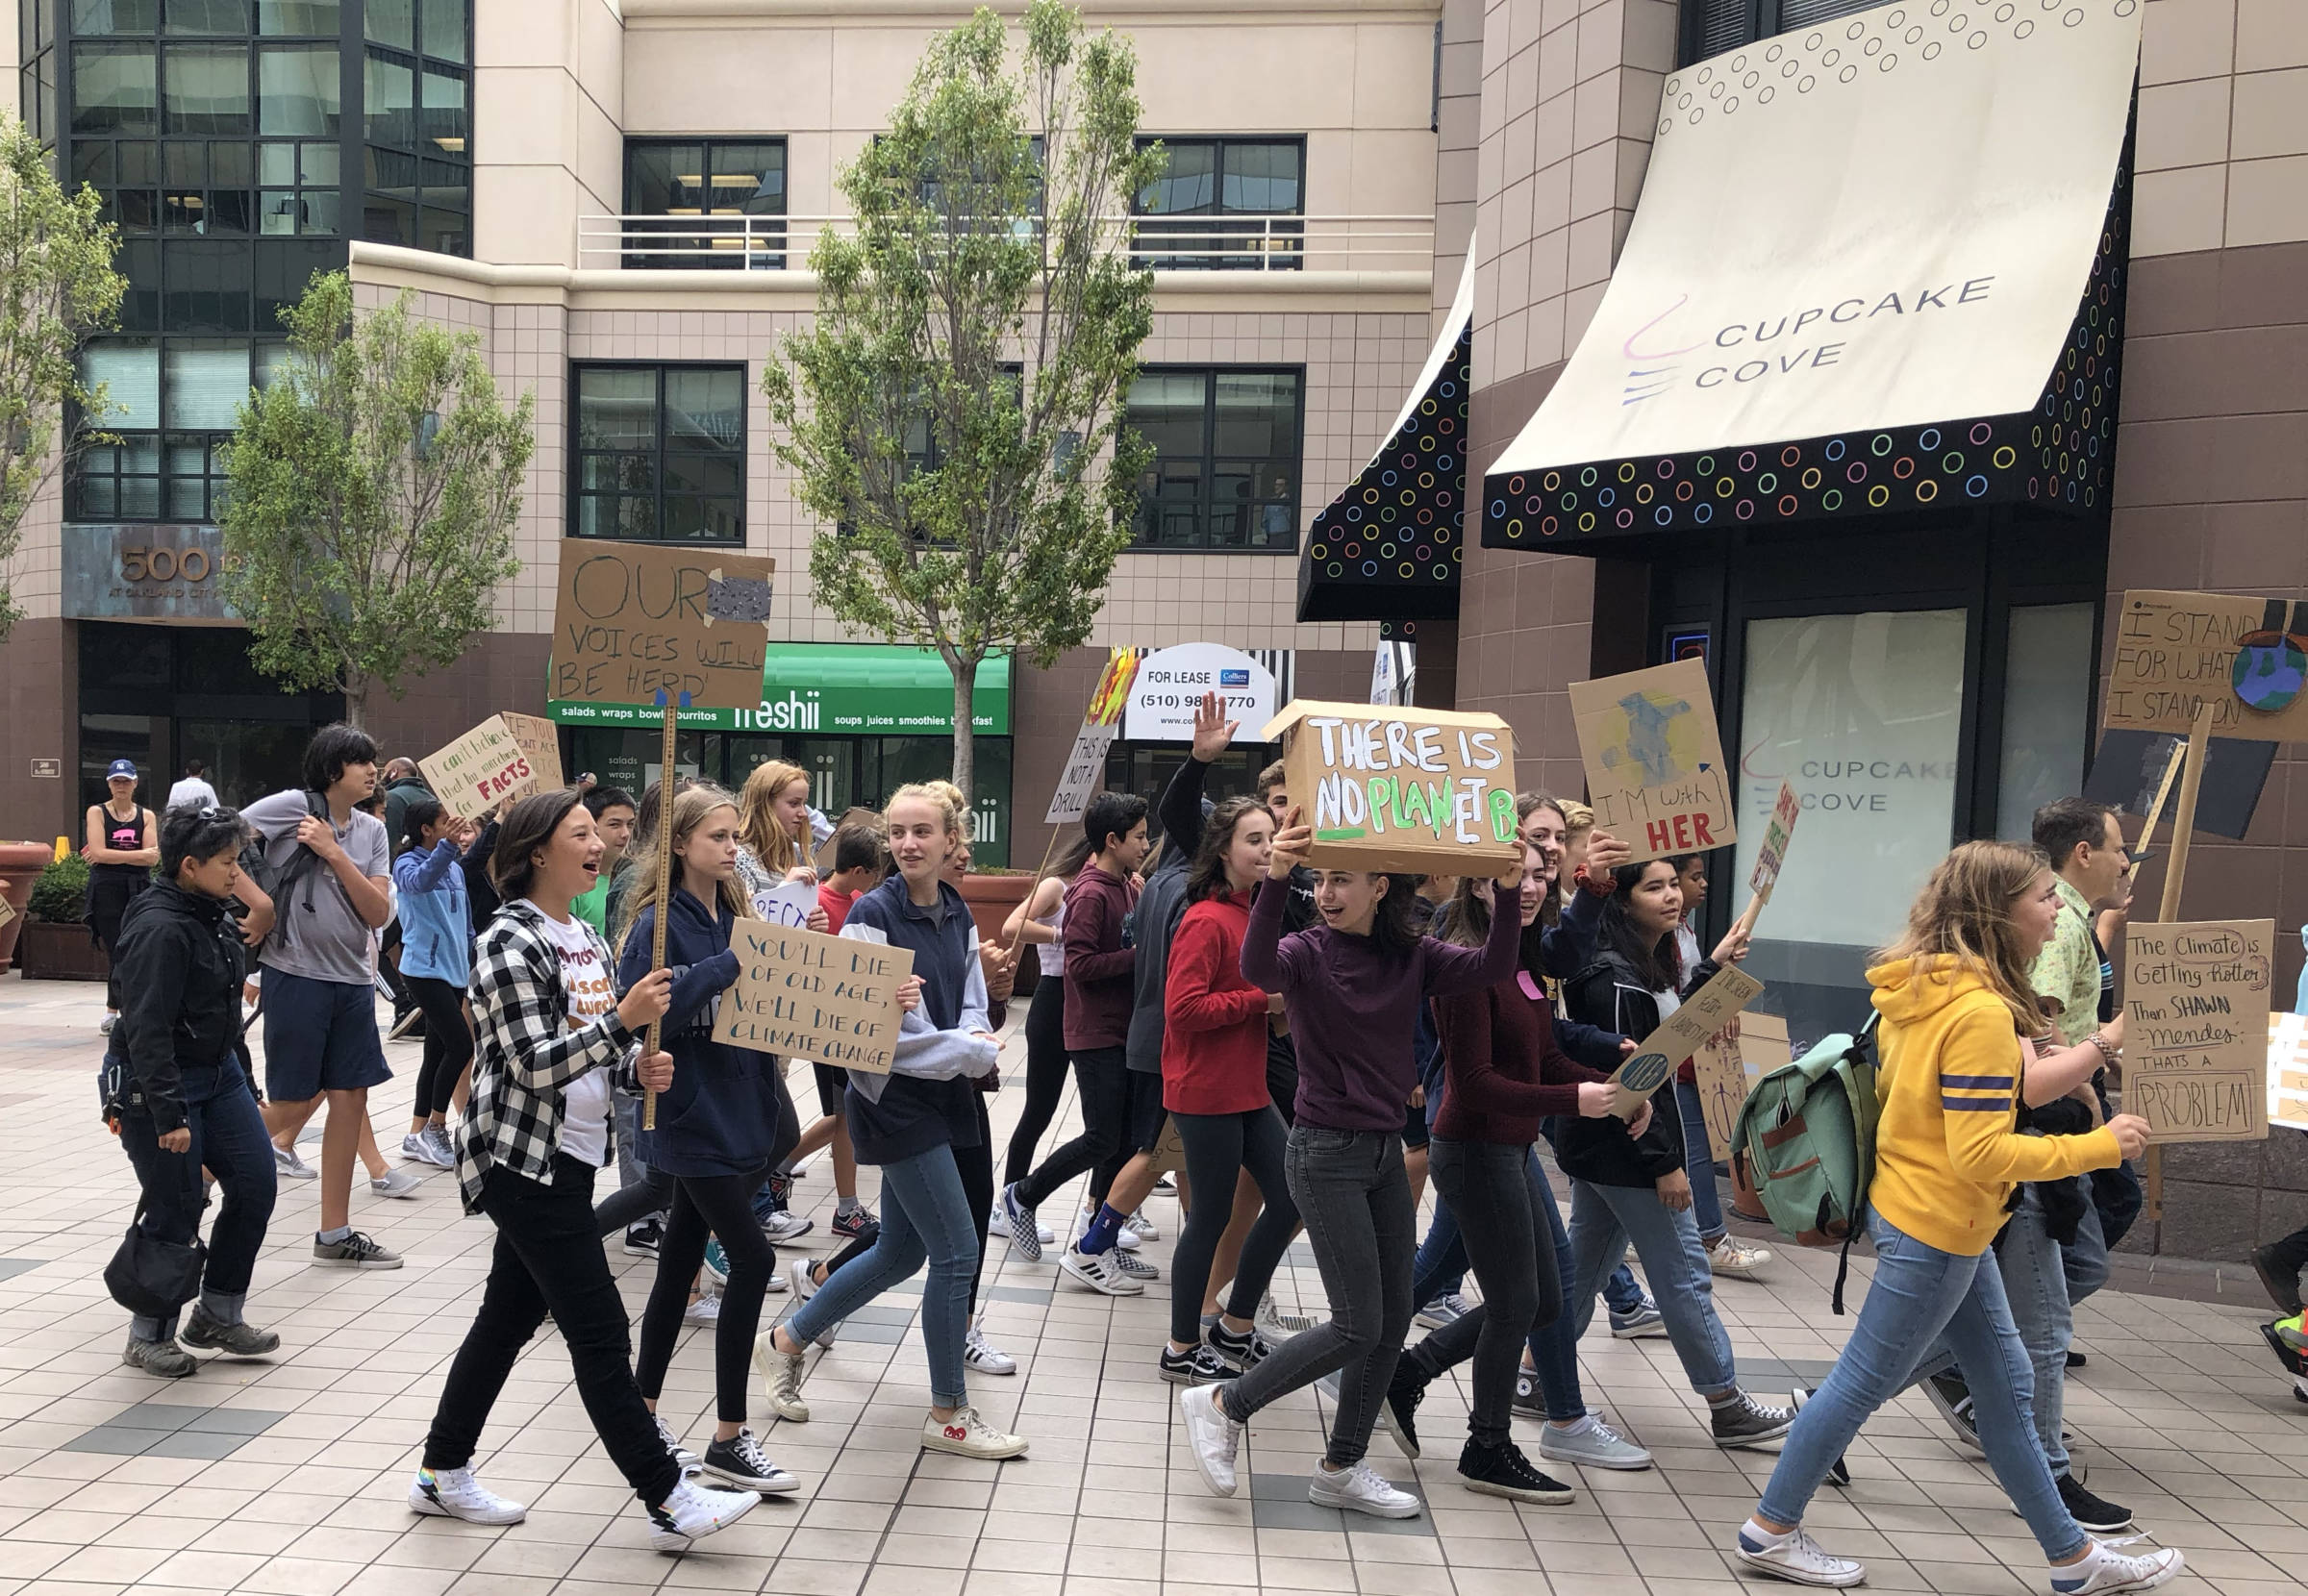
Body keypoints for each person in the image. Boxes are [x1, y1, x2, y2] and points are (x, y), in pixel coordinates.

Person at [1731, 841, 2180, 1593]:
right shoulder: (1974, 1010)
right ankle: (1770, 1530)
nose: (2054, 910)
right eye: (2042, 897)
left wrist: (2103, 1045)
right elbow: (1980, 1151)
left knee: (2006, 1390)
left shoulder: (1931, 986)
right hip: (1939, 1225)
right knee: (1859, 1385)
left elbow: (2001, 1100)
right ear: (1999, 913)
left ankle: (2073, 1561)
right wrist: (2096, 1148)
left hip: (1933, 1218)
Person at [412, 788, 763, 1550]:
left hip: (568, 1158)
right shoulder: (510, 939)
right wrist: (623, 1023)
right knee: (601, 1332)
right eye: (582, 834)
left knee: (504, 1319)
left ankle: (442, 1470)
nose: (601, 845)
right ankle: (669, 1496)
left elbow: (597, 1063)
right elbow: (533, 1065)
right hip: (519, 1161)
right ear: (539, 851)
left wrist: (639, 1070)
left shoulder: (585, 937)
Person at [1175, 807, 1520, 1519]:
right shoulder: (1305, 951)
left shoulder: (1414, 954)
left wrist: (1508, 894)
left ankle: (1342, 1466)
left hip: (1381, 1152)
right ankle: (1222, 1402)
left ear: (1382, 887)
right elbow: (1256, 966)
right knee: (1359, 1321)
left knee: (1393, 1318)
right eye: (1321, 879)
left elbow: (1494, 964)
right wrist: (1276, 880)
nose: (1327, 893)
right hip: (1324, 1152)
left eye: (1343, 881)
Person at [757, 785, 1023, 1459]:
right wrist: (967, 1049)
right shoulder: (871, 915)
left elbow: (966, 1002)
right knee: (958, 1253)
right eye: (897, 832)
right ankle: (948, 1413)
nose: (908, 843)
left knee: (902, 1252)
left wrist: (973, 1032)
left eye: (922, 831)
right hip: (890, 1103)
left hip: (945, 1099)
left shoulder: (958, 906)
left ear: (950, 840)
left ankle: (786, 1341)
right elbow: (874, 1041)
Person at [1386, 845, 1636, 1503]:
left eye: (1538, 875)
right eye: (1514, 875)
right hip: (1473, 1149)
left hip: (1509, 1150)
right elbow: (1474, 1086)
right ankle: (1487, 1445)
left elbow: (1545, 1057)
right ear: (1479, 879)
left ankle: (1410, 1369)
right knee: (1516, 1303)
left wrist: (1613, 1092)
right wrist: (1573, 1101)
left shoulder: (1521, 956)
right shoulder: (1470, 962)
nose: (1528, 887)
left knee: (1544, 1302)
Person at [1917, 798, 2139, 1533]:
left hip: (2011, 1169)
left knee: (1985, 1334)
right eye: (2041, 898)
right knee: (2036, 1334)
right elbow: (2021, 1078)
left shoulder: (1990, 978)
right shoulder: (1979, 995)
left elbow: (2035, 1042)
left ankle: (1818, 1427)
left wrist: (2079, 1073)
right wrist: (2099, 1053)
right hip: (2007, 1171)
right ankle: (2049, 1483)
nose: (2052, 908)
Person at [1557, 860, 1789, 1450]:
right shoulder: (1612, 975)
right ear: (1622, 899)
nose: (1672, 896)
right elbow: (1631, 1080)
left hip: (1612, 1154)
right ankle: (1727, 1403)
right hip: (1629, 1153)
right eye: (1653, 886)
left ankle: (1534, 1377)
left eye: (1672, 885)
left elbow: (1668, 1025)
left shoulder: (1647, 961)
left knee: (1581, 1276)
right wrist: (1666, 1165)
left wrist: (1711, 965)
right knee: (1686, 1277)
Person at [616, 786, 804, 1496]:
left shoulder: (735, 912)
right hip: (691, 1118)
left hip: (739, 1109)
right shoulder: (657, 925)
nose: (732, 848)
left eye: (735, 837)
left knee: (677, 1266)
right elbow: (642, 1013)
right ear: (680, 843)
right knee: (753, 1260)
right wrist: (729, 964)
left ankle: (641, 1409)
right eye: (718, 837)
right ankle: (729, 1438)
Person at [103, 804, 281, 1377]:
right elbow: (147, 1029)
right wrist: (169, 1114)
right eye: (227, 862)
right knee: (177, 1205)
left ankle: (218, 1314)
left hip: (220, 1073)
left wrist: (246, 1081)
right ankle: (148, 1333)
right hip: (160, 1085)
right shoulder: (160, 928)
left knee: (255, 1183)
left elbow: (224, 1010)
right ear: (189, 865)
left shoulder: (210, 913)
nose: (237, 873)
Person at [242, 725, 402, 1268]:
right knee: (289, 1102)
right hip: (295, 974)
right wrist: (257, 905)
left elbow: (378, 913)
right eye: (362, 762)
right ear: (335, 769)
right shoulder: (290, 807)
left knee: (350, 1098)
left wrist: (334, 853)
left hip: (354, 981)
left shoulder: (370, 832)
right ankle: (197, 1172)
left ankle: (335, 1234)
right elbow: (217, 841)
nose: (372, 771)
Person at [1159, 794, 1300, 1384]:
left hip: (1247, 1087)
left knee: (1295, 1194)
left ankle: (1235, 1325)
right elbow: (1183, 1009)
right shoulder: (1205, 919)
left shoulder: (1254, 913)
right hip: (1205, 1091)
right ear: (1223, 852)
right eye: (1254, 840)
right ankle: (1180, 1346)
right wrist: (1259, 1004)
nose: (1267, 849)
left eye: (1272, 837)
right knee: (1211, 1217)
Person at [997, 791, 1152, 1293]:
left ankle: (1099, 1239)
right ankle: (1022, 1194)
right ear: (1113, 840)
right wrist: (1142, 958)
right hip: (1093, 1031)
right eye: (1140, 837)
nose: (1146, 845)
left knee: (1125, 1139)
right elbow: (1080, 965)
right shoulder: (1087, 893)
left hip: (1121, 1028)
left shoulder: (1124, 886)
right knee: (1102, 1137)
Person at [736, 760, 845, 1243]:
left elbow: (797, 931)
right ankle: (753, 1209)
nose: (802, 813)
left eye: (805, 803)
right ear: (766, 802)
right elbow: (742, 925)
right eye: (793, 803)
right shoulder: (740, 857)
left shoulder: (793, 857)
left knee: (768, 1112)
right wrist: (784, 893)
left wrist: (813, 920)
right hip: (747, 1003)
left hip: (779, 1004)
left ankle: (758, 1205)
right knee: (766, 1117)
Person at [1659, 851, 1772, 1280]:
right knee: (1694, 1149)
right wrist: (1715, 972)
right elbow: (1678, 1000)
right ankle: (1709, 1236)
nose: (1703, 884)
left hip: (1687, 1054)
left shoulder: (1683, 930)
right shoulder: (1664, 934)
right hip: (1677, 1057)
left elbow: (1689, 989)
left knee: (1692, 1147)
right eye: (1694, 877)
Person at [998, 835, 1089, 1249]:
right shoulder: (1060, 885)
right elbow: (1012, 925)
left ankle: (1103, 1211)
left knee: (1102, 1118)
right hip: (1055, 997)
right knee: (1039, 1109)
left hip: (1090, 1002)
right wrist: (1062, 937)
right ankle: (1008, 1200)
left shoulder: (1117, 886)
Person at [393, 798, 476, 1169]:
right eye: (446, 822)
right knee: (461, 1046)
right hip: (424, 970)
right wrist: (447, 846)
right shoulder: (406, 863)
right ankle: (436, 1126)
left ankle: (415, 1133)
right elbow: (420, 882)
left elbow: (466, 923)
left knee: (436, 1052)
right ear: (426, 829)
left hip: (455, 970)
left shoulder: (455, 870)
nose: (455, 827)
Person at [87, 758, 160, 1035]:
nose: (121, 786)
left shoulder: (147, 815)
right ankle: (112, 1011)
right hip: (106, 889)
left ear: (135, 784)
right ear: (109, 784)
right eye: (116, 781)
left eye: (125, 781)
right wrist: (137, 855)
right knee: (116, 949)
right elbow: (98, 853)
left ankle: (134, 1008)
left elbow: (152, 859)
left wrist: (125, 857)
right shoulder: (97, 812)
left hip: (138, 888)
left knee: (138, 949)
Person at [572, 786, 638, 938]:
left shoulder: (638, 881)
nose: (626, 834)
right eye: (614, 825)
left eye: (630, 824)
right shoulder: (573, 886)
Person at [379, 759, 433, 859]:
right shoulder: (432, 798)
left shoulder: (390, 798)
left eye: (383, 772)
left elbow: (389, 839)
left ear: (393, 772)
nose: (381, 777)